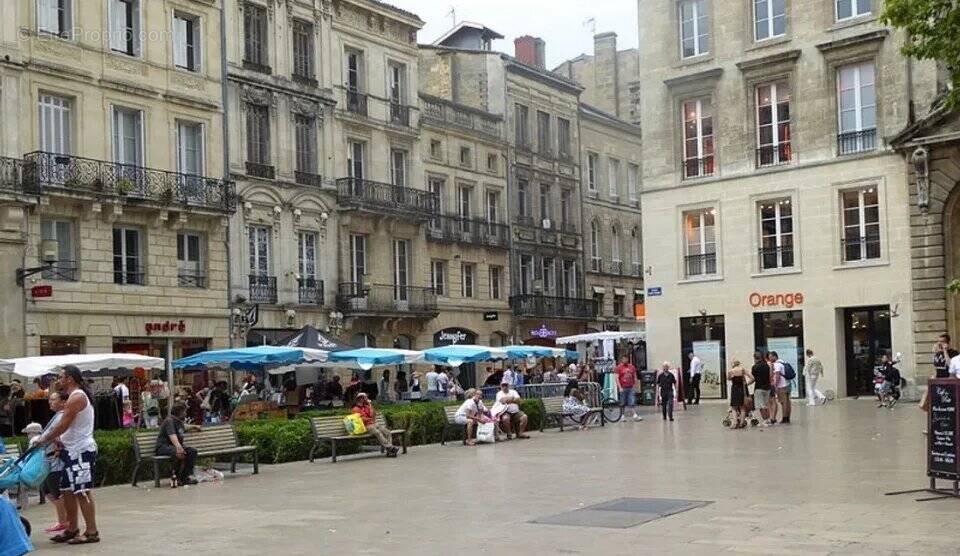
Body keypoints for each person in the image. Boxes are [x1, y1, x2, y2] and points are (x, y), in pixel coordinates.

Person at [36, 365, 99, 545]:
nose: (58, 380)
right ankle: (71, 528)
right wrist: (58, 441)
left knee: (82, 491)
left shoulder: (77, 397)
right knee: (66, 490)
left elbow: (64, 424)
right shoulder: (74, 396)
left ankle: (92, 532)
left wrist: (45, 438)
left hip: (80, 451)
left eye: (61, 377)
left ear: (70, 379)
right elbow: (67, 427)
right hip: (71, 451)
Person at [36, 391, 68, 534]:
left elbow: (57, 434)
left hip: (55, 459)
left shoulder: (62, 416)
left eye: (53, 399)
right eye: (50, 399)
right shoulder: (57, 415)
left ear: (62, 402)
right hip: (48, 457)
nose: (50, 402)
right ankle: (65, 517)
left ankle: (64, 521)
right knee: (46, 489)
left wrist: (47, 440)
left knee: (55, 491)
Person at [156, 403, 201, 487]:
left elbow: (184, 427)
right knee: (178, 453)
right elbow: (172, 435)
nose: (186, 413)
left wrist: (194, 427)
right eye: (185, 411)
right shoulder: (169, 421)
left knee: (192, 451)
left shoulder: (178, 421)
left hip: (173, 447)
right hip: (163, 447)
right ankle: (176, 477)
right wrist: (179, 448)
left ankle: (185, 477)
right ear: (180, 412)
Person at [727, 361, 754, 429]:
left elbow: (729, 379)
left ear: (733, 364)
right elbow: (752, 378)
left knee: (734, 407)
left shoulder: (730, 371)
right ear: (739, 364)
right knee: (742, 407)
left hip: (735, 389)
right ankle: (742, 423)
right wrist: (747, 384)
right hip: (743, 389)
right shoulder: (743, 370)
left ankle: (735, 423)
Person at [615, 355, 643, 422]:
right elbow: (616, 378)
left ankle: (634, 415)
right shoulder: (618, 368)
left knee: (632, 401)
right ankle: (622, 415)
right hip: (623, 387)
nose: (625, 360)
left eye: (626, 359)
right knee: (622, 402)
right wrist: (620, 387)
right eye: (624, 359)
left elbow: (635, 376)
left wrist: (635, 385)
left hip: (630, 387)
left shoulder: (632, 367)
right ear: (622, 359)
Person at [751, 352, 773, 424]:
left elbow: (753, 378)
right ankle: (769, 419)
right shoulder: (767, 366)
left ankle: (765, 420)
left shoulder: (754, 367)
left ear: (755, 358)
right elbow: (770, 375)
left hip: (759, 388)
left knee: (761, 406)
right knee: (766, 405)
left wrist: (747, 384)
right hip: (767, 388)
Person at [769, 352, 790, 424]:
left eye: (771, 357)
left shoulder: (777, 364)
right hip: (786, 384)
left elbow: (777, 376)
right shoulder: (783, 362)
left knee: (783, 403)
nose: (770, 359)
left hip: (781, 386)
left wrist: (775, 385)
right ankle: (787, 417)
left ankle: (784, 418)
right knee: (787, 402)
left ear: (775, 356)